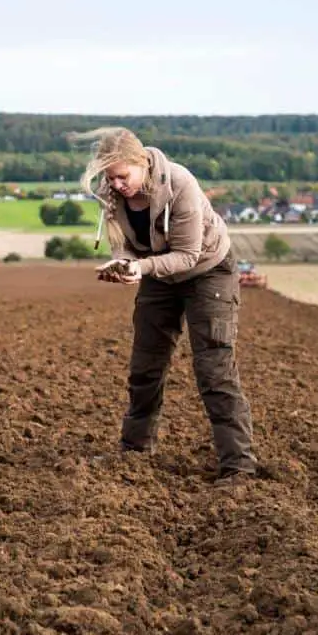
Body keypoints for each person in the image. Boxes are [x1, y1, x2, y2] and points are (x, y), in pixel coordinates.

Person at [68, 127, 258, 483]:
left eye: (123, 176)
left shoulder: (181, 184)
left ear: (142, 164)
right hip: (158, 275)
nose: (117, 185)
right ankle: (135, 449)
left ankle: (239, 467)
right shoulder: (112, 190)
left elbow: (188, 255)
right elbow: (121, 241)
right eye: (111, 178)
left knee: (214, 369)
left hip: (208, 271)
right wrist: (123, 264)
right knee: (145, 366)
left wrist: (140, 267)